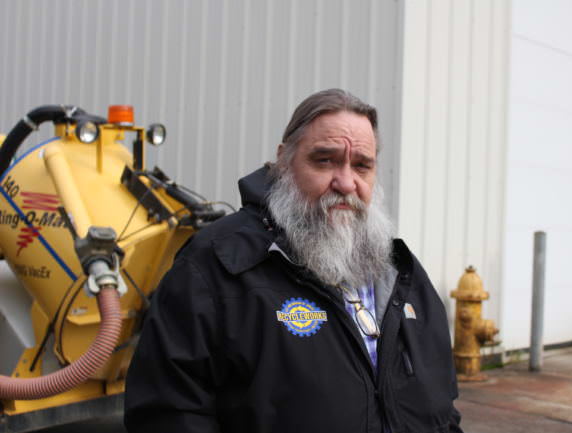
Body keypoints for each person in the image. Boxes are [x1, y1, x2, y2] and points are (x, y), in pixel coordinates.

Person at [124, 89, 463, 433]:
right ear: (284, 160)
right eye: (324, 160)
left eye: (362, 165)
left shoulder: (399, 272)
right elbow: (168, 414)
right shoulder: (217, 264)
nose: (346, 182)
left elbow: (442, 409)